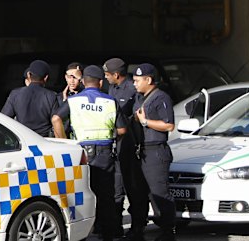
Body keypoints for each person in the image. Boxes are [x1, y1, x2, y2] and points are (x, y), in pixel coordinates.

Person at [51, 65, 126, 241]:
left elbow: (56, 119)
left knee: (80, 193)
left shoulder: (74, 101)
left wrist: (64, 142)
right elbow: (122, 130)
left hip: (81, 153)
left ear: (83, 82)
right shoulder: (110, 101)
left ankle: (81, 234)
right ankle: (106, 233)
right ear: (101, 83)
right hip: (104, 154)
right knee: (105, 195)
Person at [132, 63, 176, 241]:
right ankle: (138, 229)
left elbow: (169, 125)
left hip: (155, 151)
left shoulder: (161, 98)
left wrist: (145, 122)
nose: (134, 84)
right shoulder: (141, 97)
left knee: (159, 192)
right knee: (139, 193)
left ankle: (167, 230)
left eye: (137, 80)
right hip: (141, 151)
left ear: (148, 79)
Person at [103, 58, 141, 239]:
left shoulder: (133, 90)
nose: (105, 78)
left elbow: (134, 118)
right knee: (116, 190)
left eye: (107, 74)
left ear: (116, 75)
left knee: (133, 189)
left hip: (130, 146)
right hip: (116, 146)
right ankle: (116, 227)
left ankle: (137, 228)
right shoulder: (112, 89)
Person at [1, 60, 59, 137]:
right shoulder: (51, 96)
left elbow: (4, 118)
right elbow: (57, 121)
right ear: (46, 78)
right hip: (44, 140)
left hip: (22, 139)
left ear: (29, 75)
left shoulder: (15, 94)